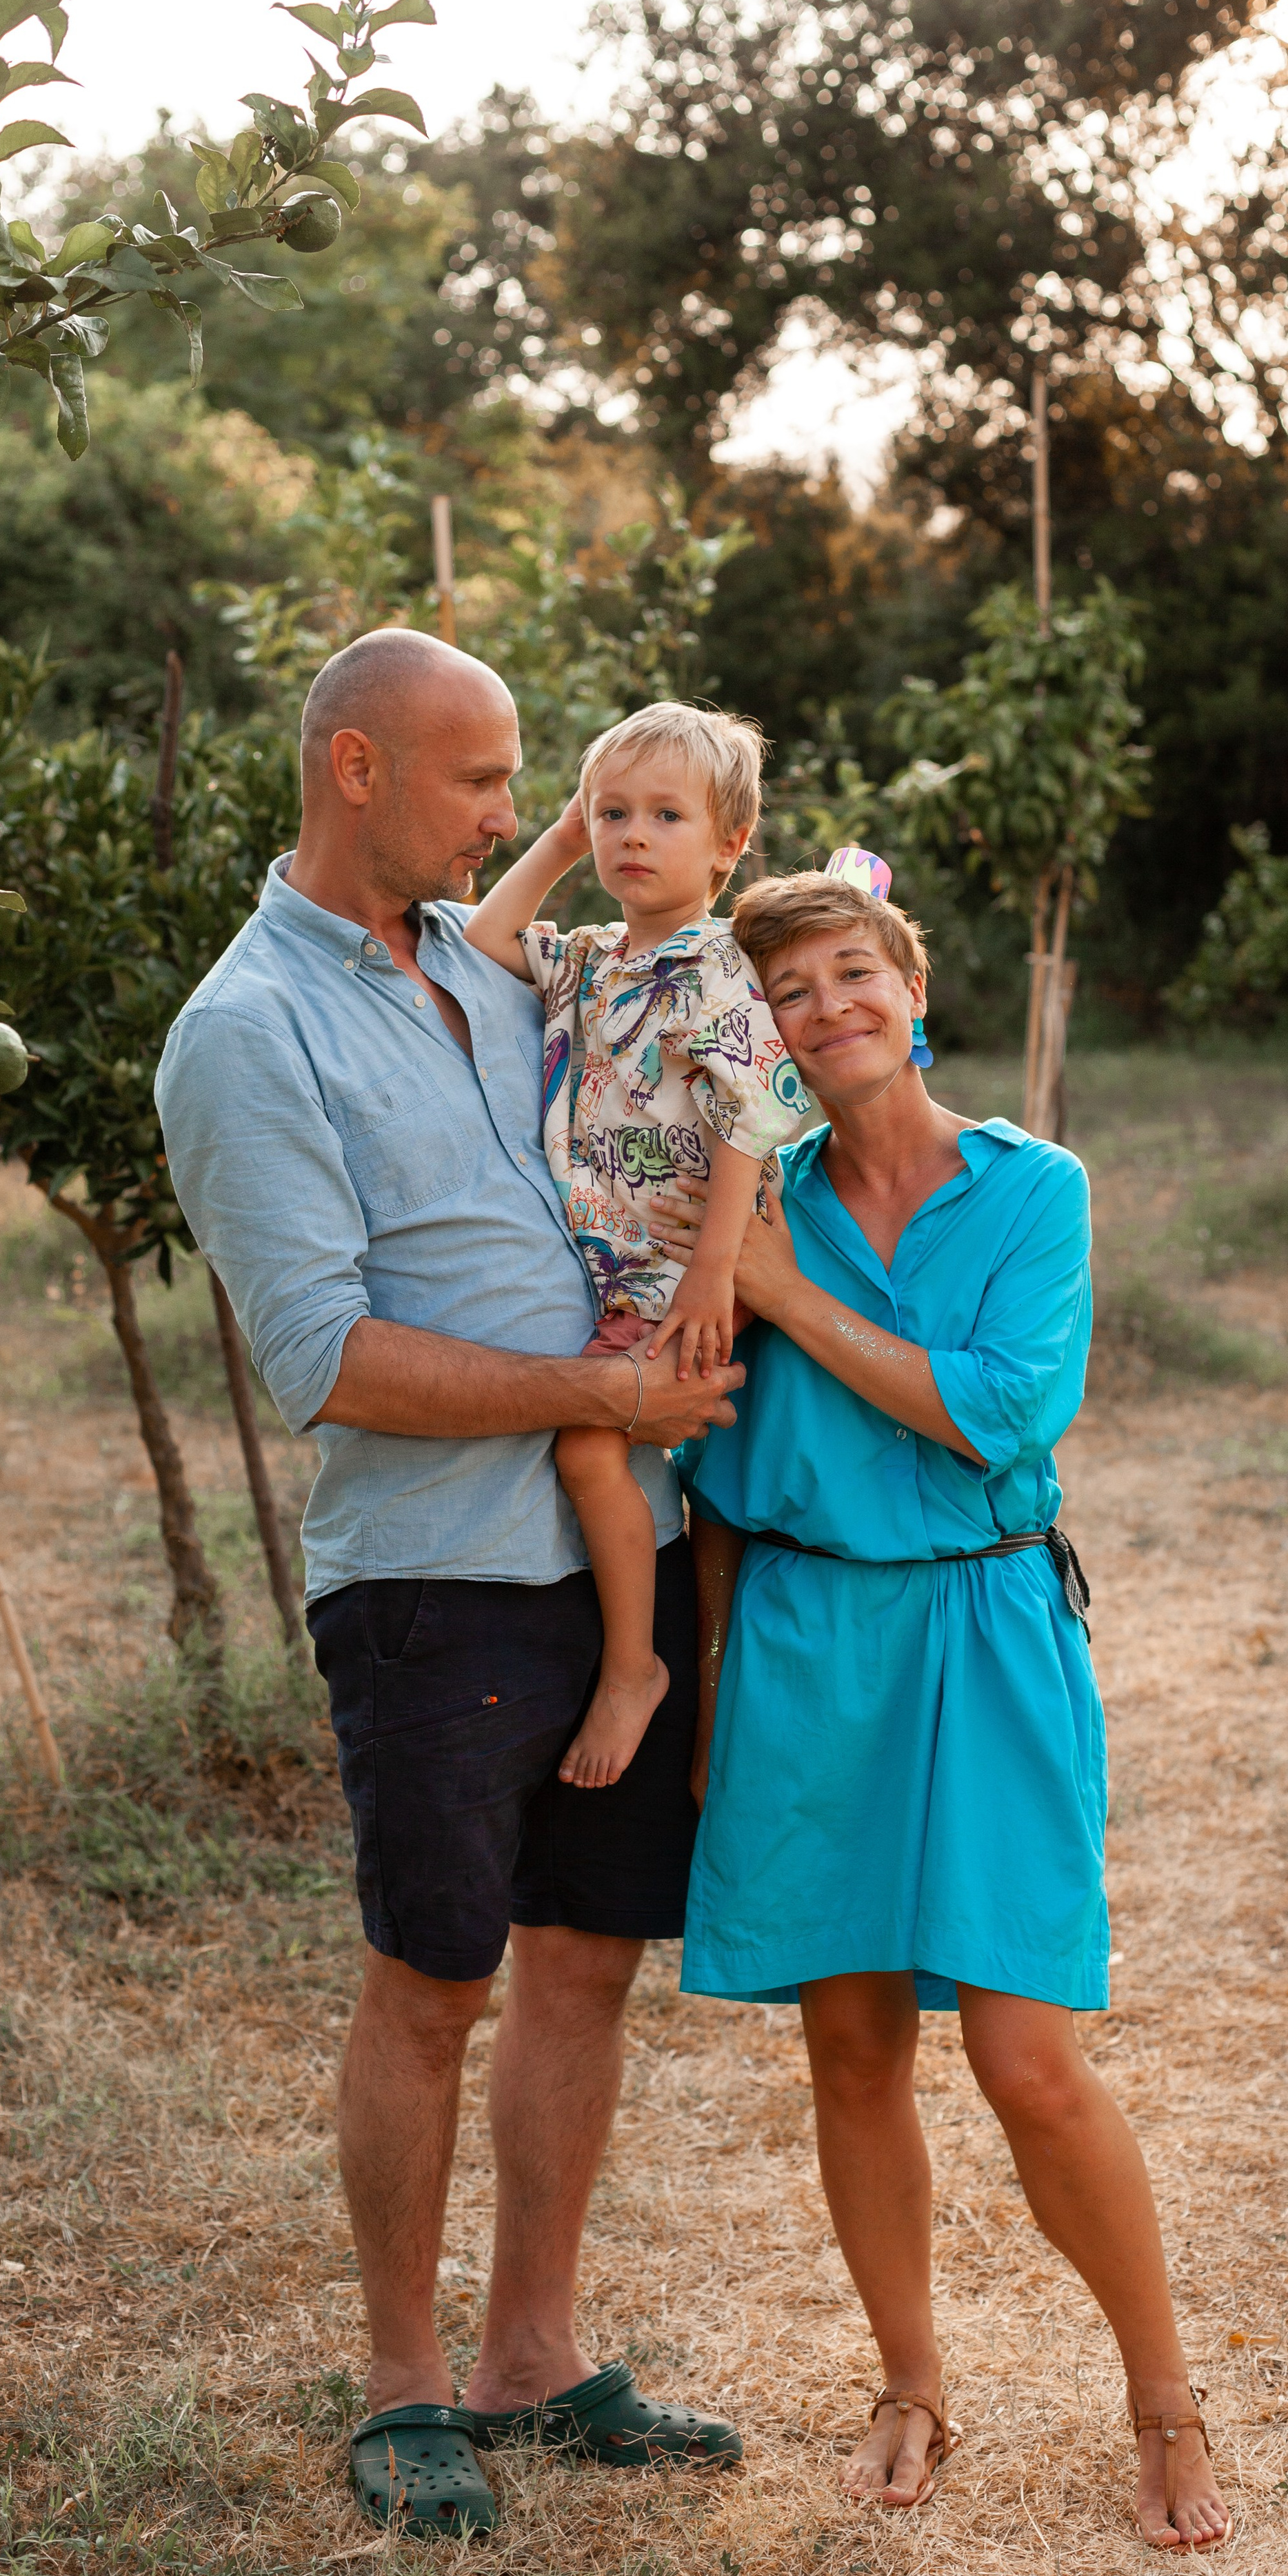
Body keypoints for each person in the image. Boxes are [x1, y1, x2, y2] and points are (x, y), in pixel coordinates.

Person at [154, 630, 748, 2542]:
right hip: (436, 1586)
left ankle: (535, 2354)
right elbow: (318, 1356)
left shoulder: (492, 971)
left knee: (586, 1963)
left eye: (534, 787)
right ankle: (406, 2384)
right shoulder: (249, 1033)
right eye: (490, 782)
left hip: (620, 1556)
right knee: (435, 1977)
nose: (526, 817)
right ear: (353, 770)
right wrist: (596, 1391)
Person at [650, 861, 1234, 2553]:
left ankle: (1160, 2398)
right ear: (755, 1039)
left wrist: (775, 1291)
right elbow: (717, 1489)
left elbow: (993, 1411)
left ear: (913, 991)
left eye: (852, 974)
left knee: (1025, 2058)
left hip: (985, 1628)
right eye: (787, 993)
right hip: (803, 1637)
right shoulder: (738, 1204)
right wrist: (697, 1710)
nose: (824, 1009)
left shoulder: (1029, 1189)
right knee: (847, 2048)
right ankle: (908, 2380)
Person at [463, 701, 805, 1789]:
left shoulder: (718, 967)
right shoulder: (595, 957)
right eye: (613, 813)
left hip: (689, 1269)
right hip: (630, 1271)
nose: (633, 836)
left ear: (729, 845)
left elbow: (757, 1114)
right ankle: (685, 1687)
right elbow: (481, 942)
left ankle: (634, 1668)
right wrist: (558, 842)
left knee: (587, 1445)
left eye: (666, 815)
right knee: (636, 1466)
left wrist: (715, 1274)